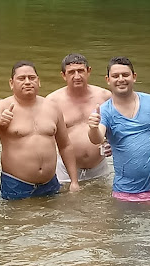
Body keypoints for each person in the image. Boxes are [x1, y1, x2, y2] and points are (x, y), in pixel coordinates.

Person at [0, 61, 79, 200]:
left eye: (32, 78)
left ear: (38, 81)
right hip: (16, 184)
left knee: (53, 214)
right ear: (11, 83)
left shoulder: (52, 107)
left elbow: (65, 145)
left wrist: (74, 181)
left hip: (50, 183)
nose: (27, 82)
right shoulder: (1, 106)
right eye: (21, 78)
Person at [88, 56, 150, 201]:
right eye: (115, 76)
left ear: (134, 77)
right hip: (126, 190)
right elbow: (96, 139)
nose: (121, 79)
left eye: (125, 75)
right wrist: (93, 127)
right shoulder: (104, 111)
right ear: (108, 80)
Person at [46, 53, 112, 183]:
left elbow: (118, 126)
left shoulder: (105, 96)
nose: (77, 76)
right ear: (63, 75)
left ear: (88, 71)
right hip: (65, 169)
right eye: (71, 72)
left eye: (81, 71)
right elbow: (45, 135)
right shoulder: (52, 101)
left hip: (99, 166)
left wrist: (111, 143)